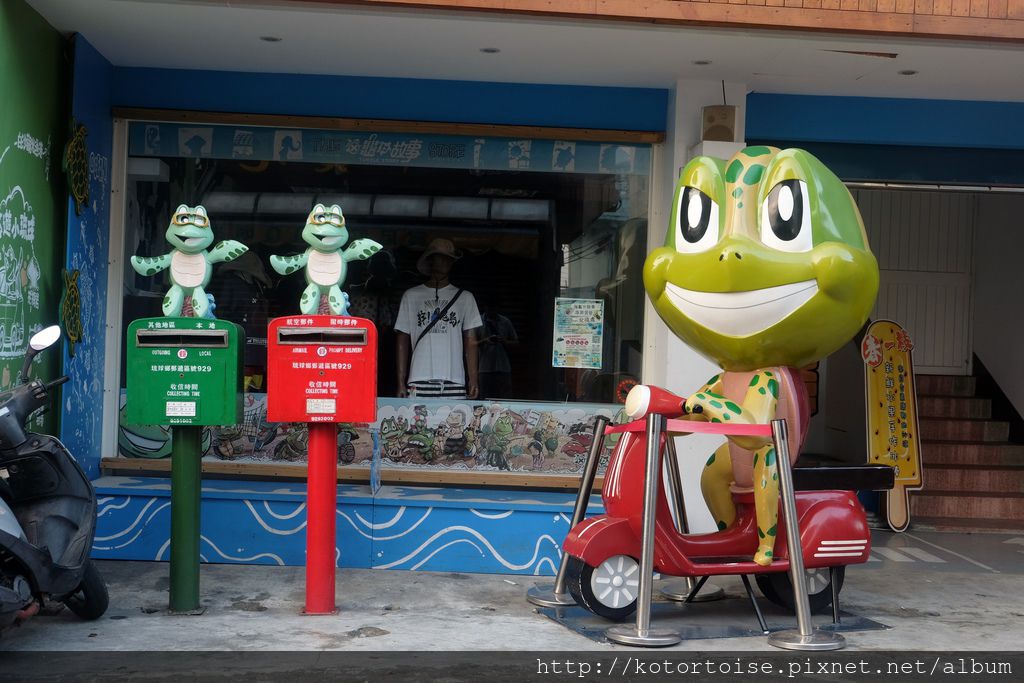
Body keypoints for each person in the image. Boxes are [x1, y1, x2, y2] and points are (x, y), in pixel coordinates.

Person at [395, 238, 482, 399]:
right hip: (418, 379)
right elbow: (402, 338)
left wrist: (474, 379)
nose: (445, 262)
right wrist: (400, 380)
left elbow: (471, 340)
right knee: (418, 424)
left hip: (454, 380)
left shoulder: (465, 298)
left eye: (449, 258)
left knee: (454, 423)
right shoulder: (411, 296)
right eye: (440, 257)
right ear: (430, 260)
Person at [477, 296, 518, 399]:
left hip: (503, 366)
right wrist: (485, 341)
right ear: (485, 307)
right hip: (484, 367)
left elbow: (516, 342)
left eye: (494, 308)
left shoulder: (505, 322)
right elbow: (471, 344)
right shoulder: (478, 322)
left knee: (505, 396)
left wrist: (504, 341)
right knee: (484, 396)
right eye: (489, 308)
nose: (491, 311)